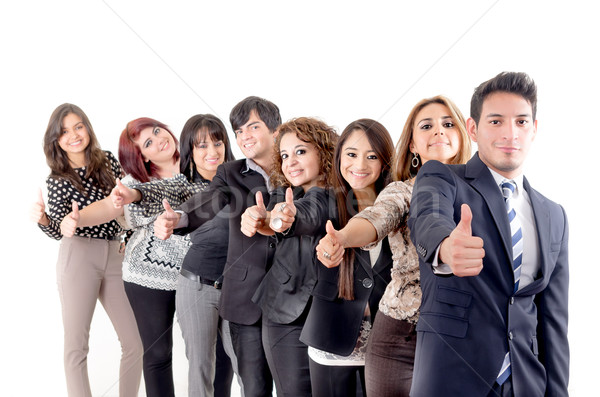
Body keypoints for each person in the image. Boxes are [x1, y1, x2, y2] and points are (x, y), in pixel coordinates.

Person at [408, 72, 569, 396]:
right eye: (496, 121)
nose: (510, 133)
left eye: (521, 122)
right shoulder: (443, 177)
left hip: (526, 383)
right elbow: (427, 216)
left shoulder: (554, 214)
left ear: (534, 129)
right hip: (450, 378)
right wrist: (445, 246)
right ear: (473, 129)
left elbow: (554, 322)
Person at [316, 98, 471, 396]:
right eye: (427, 126)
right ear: (412, 144)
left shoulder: (486, 192)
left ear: (463, 134)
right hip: (398, 337)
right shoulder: (401, 191)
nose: (439, 131)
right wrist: (343, 238)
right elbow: (376, 218)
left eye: (448, 123)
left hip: (460, 334)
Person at [153, 96, 282, 397]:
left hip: (251, 288)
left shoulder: (293, 167)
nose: (244, 136)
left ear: (276, 130)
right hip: (202, 282)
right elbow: (212, 200)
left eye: (253, 126)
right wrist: (180, 217)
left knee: (249, 371)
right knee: (202, 366)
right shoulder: (231, 173)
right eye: (239, 131)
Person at [60, 117, 191, 397]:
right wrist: (78, 217)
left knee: (207, 352)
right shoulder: (135, 182)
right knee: (157, 353)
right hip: (148, 278)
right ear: (141, 156)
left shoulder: (198, 162)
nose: (159, 140)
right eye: (148, 142)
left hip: (197, 275)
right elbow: (110, 206)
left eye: (157, 131)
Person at [113, 114, 241, 397]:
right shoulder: (181, 182)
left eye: (217, 143)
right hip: (151, 273)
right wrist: (132, 195)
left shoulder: (234, 177)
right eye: (202, 146)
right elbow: (156, 191)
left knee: (224, 357)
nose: (212, 152)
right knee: (159, 352)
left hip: (208, 279)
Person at [32, 103, 143, 397]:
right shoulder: (57, 180)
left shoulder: (107, 160)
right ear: (55, 139)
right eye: (64, 131)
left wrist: (127, 235)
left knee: (135, 343)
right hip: (78, 257)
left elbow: (125, 206)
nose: (73, 135)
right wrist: (47, 221)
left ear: (88, 127)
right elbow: (62, 229)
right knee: (77, 346)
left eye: (78, 126)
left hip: (114, 255)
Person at [240, 117, 338, 396]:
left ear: (324, 151)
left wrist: (282, 218)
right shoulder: (285, 197)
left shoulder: (339, 195)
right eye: (284, 155)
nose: (290, 162)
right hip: (285, 315)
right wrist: (266, 219)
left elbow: (311, 212)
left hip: (330, 315)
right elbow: (286, 218)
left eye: (301, 151)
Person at [302, 118, 395, 397]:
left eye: (371, 156)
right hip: (332, 339)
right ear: (339, 157)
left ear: (384, 162)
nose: (360, 165)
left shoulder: (398, 203)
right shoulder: (325, 200)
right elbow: (302, 218)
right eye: (351, 155)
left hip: (387, 342)